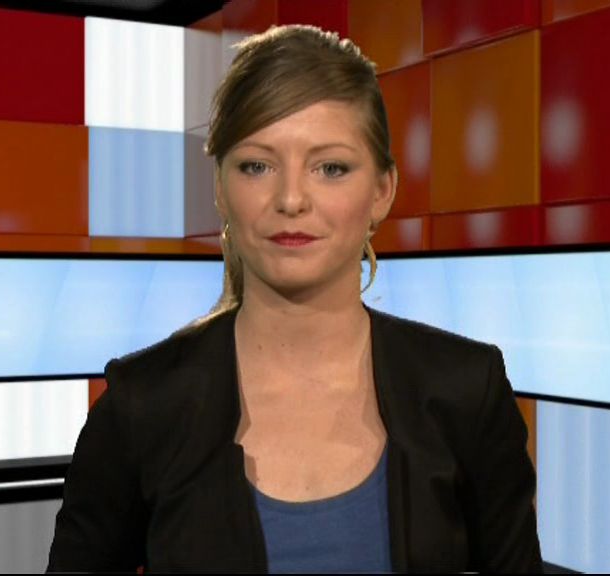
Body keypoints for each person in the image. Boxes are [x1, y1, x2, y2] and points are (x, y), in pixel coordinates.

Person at [48, 24, 542, 573]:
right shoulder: (142, 405)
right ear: (220, 187)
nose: (290, 199)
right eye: (257, 166)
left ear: (382, 191)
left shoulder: (466, 389)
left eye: (330, 168)